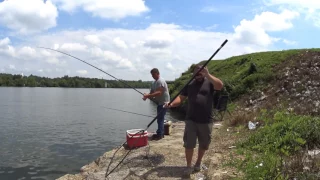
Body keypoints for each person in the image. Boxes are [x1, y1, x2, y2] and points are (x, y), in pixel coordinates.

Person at [164, 63, 223, 173]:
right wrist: (171, 104)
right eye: (196, 72)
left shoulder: (210, 82)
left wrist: (208, 75)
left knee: (204, 144)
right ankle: (188, 165)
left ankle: (198, 162)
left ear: (204, 73)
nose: (198, 74)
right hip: (191, 119)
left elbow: (220, 86)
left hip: (206, 120)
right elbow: (180, 98)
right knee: (189, 144)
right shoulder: (189, 84)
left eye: (201, 72)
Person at [142, 68, 170, 140]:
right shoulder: (154, 83)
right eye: (152, 75)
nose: (152, 76)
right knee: (159, 118)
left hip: (164, 102)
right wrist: (146, 96)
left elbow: (159, 92)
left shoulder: (161, 81)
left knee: (160, 118)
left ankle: (160, 134)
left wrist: (148, 96)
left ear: (158, 73)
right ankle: (160, 132)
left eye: (154, 74)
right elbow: (152, 93)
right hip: (159, 103)